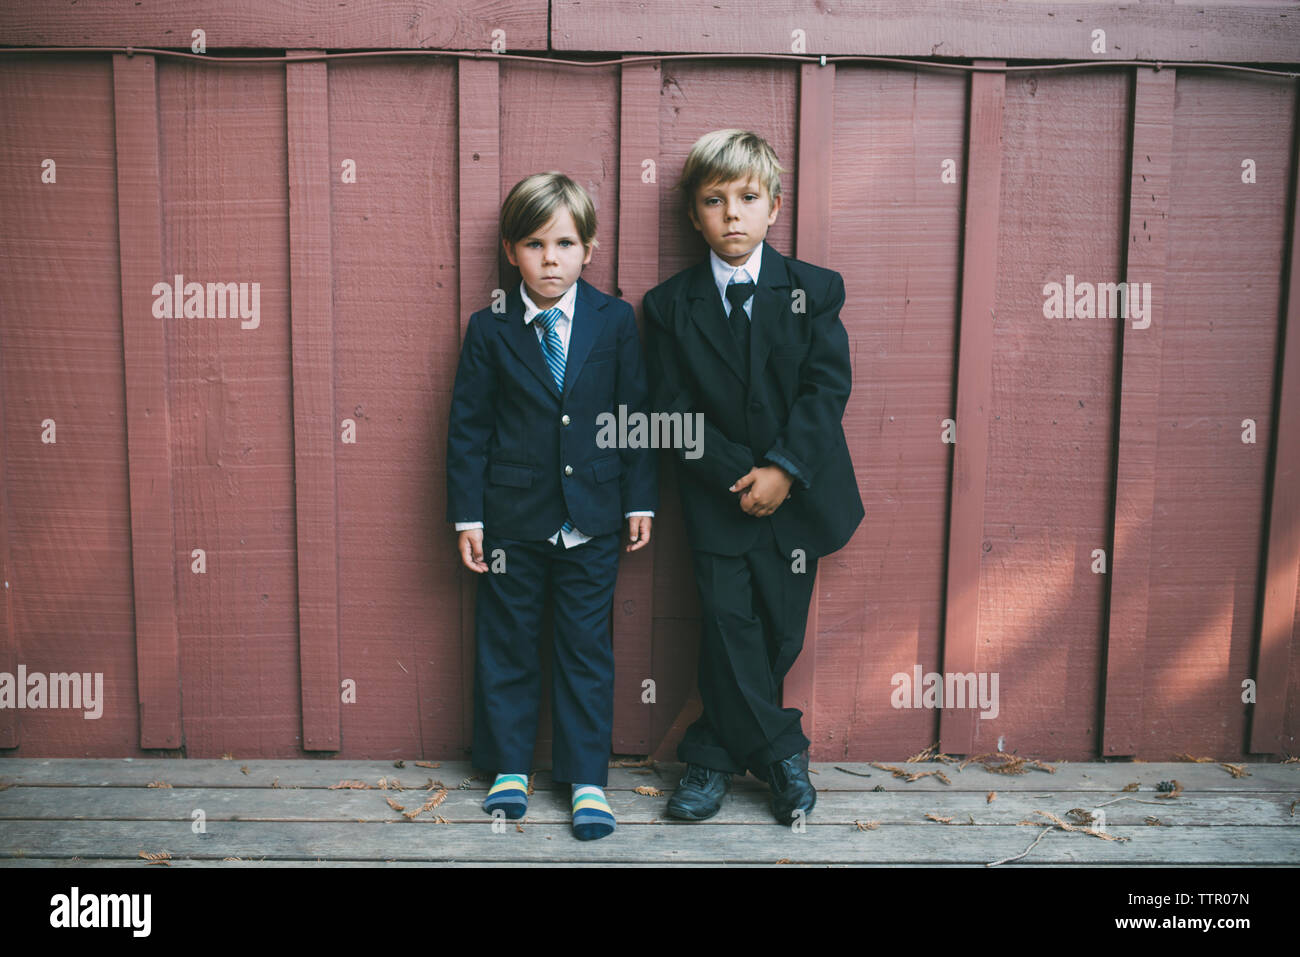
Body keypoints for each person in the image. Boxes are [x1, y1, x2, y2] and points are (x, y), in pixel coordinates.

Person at [643, 129, 864, 825]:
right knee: (726, 623)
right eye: (714, 200)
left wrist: (784, 470)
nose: (732, 214)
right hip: (719, 498)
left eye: (747, 198)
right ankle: (778, 756)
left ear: (774, 206)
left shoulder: (815, 290)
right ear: (693, 215)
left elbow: (825, 390)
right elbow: (668, 410)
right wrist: (743, 474)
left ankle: (710, 748)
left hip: (798, 499)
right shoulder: (668, 306)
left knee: (778, 633)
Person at [446, 171, 656, 840]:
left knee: (585, 646)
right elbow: (468, 427)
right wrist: (469, 518)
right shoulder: (490, 327)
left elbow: (634, 417)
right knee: (507, 641)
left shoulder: (615, 320)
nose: (550, 259)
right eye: (534, 244)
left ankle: (587, 777)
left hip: (593, 517)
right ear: (511, 251)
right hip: (512, 520)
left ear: (588, 249)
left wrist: (639, 499)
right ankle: (510, 765)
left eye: (564, 243)